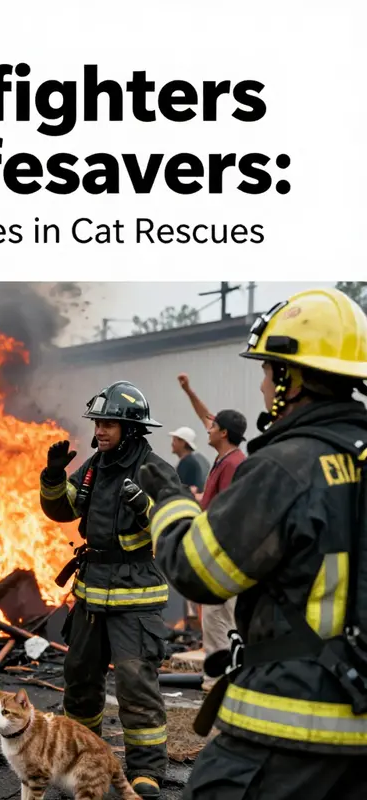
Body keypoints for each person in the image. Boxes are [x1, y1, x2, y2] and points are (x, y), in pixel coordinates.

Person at [141, 287, 367, 800]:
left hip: (291, 728)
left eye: (267, 371)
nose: (263, 385)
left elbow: (199, 571)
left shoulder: (287, 467)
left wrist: (170, 498)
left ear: (291, 376)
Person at [41, 381, 176, 799]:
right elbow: (64, 509)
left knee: (136, 686)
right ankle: (82, 763)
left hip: (135, 598)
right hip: (91, 594)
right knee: (80, 681)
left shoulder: (155, 470)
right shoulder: (94, 467)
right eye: (97, 422)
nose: (99, 430)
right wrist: (53, 475)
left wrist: (145, 508)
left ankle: (147, 772)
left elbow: (175, 525)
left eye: (108, 424)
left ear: (131, 429)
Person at [176, 374, 247, 687]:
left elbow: (228, 512)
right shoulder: (224, 456)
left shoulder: (233, 464)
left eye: (213, 427)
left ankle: (218, 678)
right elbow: (204, 414)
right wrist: (189, 390)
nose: (208, 428)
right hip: (217, 553)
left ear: (224, 433)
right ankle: (221, 673)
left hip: (224, 555)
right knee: (215, 617)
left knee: (220, 618)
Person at [168, 425, 209, 491]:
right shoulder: (189, 462)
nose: (172, 444)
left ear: (183, 443)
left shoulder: (188, 463)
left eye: (174, 440)